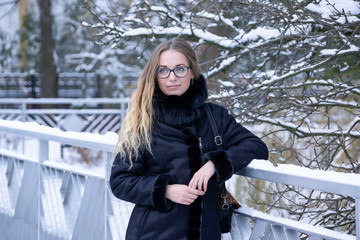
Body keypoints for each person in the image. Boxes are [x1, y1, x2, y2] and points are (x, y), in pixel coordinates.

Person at [110, 38, 268, 240]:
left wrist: (214, 163)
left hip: (205, 234)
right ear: (155, 76)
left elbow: (256, 146)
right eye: (163, 70)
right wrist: (165, 190)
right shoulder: (143, 120)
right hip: (153, 233)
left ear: (192, 72)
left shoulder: (214, 117)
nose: (172, 77)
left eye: (180, 69)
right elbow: (120, 181)